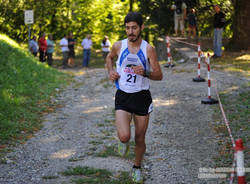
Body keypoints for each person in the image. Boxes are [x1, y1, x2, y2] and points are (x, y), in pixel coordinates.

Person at [106, 12, 163, 183]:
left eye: (134, 28)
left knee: (139, 138)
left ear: (141, 28)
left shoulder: (148, 49)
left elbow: (159, 75)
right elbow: (109, 58)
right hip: (123, 95)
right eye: (128, 28)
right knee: (124, 136)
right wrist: (111, 71)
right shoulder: (118, 45)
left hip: (142, 98)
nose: (130, 31)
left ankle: (137, 167)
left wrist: (145, 72)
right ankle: (123, 142)